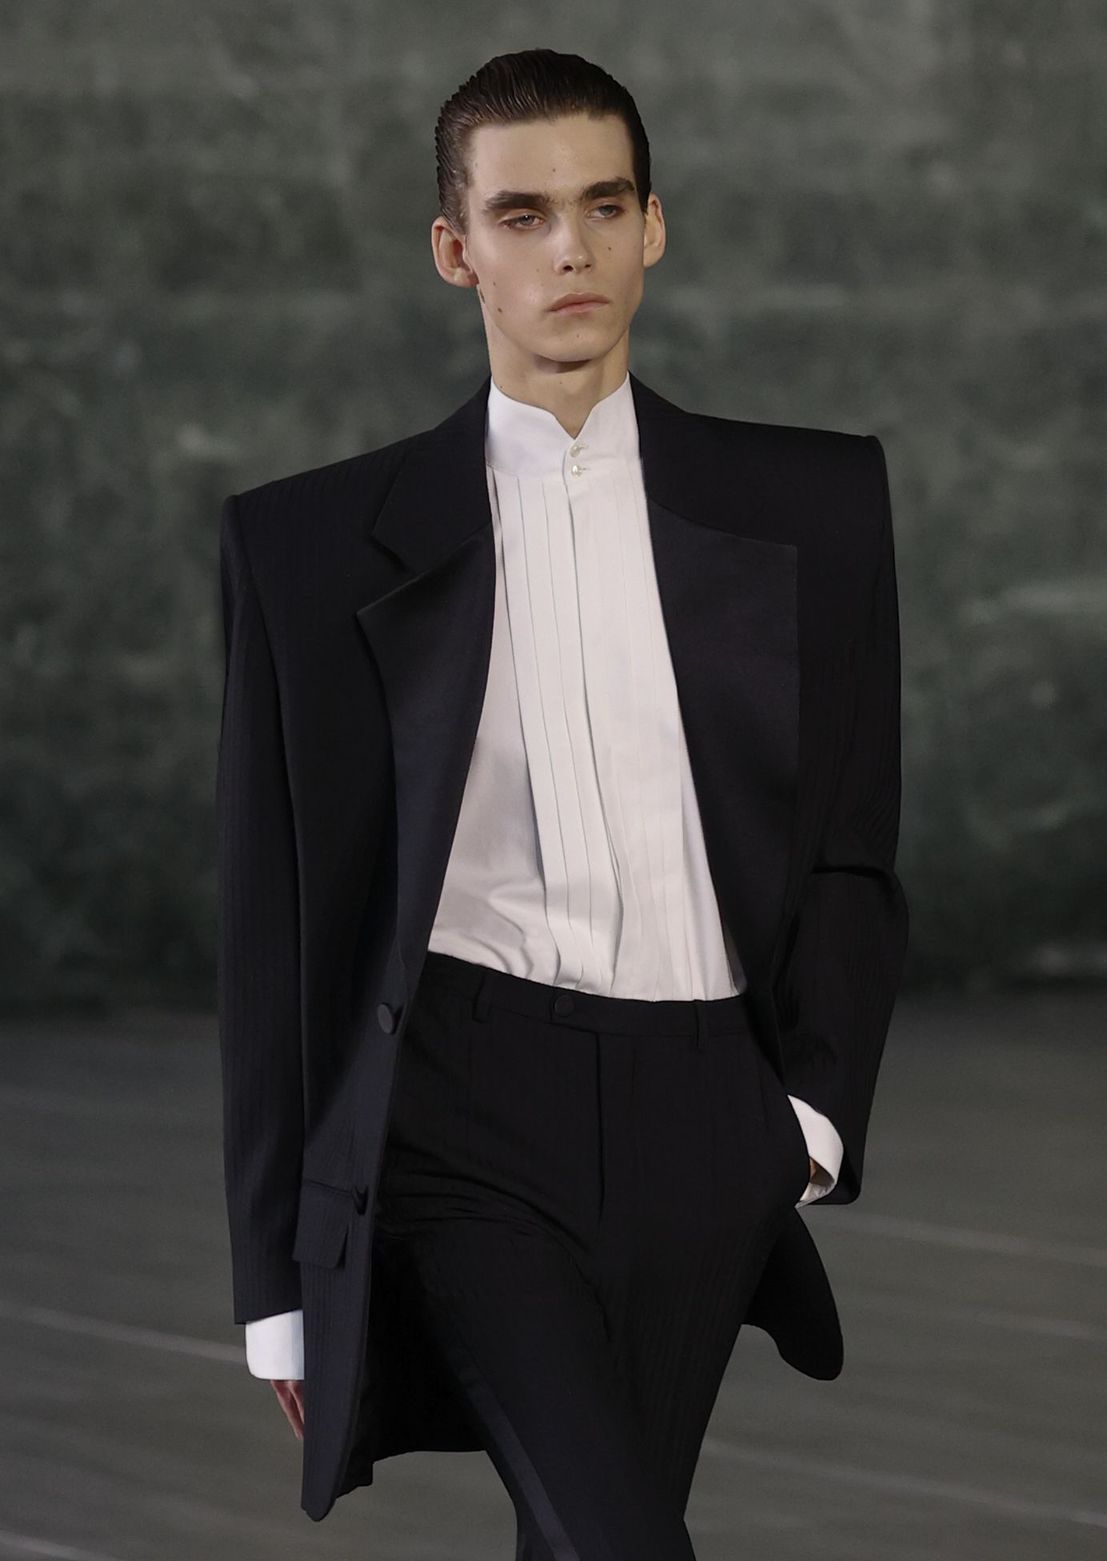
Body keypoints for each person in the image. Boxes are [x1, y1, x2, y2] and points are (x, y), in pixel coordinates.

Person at [216, 47, 909, 1553]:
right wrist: (280, 1278)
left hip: (712, 1114)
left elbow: (853, 847)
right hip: (464, 1114)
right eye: (522, 216)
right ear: (456, 249)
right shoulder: (310, 548)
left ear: (654, 225)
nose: (571, 250)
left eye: (603, 206)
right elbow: (276, 932)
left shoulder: (818, 508)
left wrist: (805, 1123)